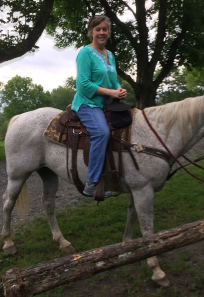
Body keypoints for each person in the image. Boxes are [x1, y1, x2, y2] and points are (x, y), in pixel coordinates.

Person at [71, 15, 127, 197]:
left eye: (105, 29)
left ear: (109, 32)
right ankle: (91, 184)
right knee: (102, 132)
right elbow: (83, 85)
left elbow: (113, 80)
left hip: (105, 104)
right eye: (98, 29)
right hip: (87, 103)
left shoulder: (109, 54)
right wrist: (111, 93)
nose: (102, 32)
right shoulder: (85, 53)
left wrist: (119, 89)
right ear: (91, 32)